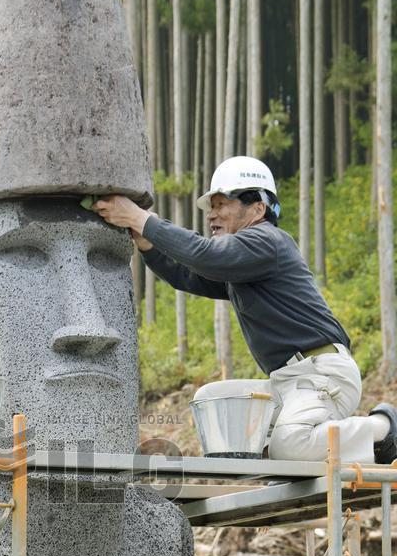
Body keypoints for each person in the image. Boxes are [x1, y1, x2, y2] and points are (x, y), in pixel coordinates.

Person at [94, 156, 397, 464]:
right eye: (211, 207)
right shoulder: (243, 263)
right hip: (288, 381)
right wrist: (147, 242)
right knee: (210, 400)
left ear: (258, 208)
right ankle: (271, 455)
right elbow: (185, 275)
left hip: (323, 374)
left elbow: (204, 254)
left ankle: (382, 428)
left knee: (291, 445)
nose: (212, 215)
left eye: (222, 204)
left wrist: (140, 219)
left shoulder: (267, 241)